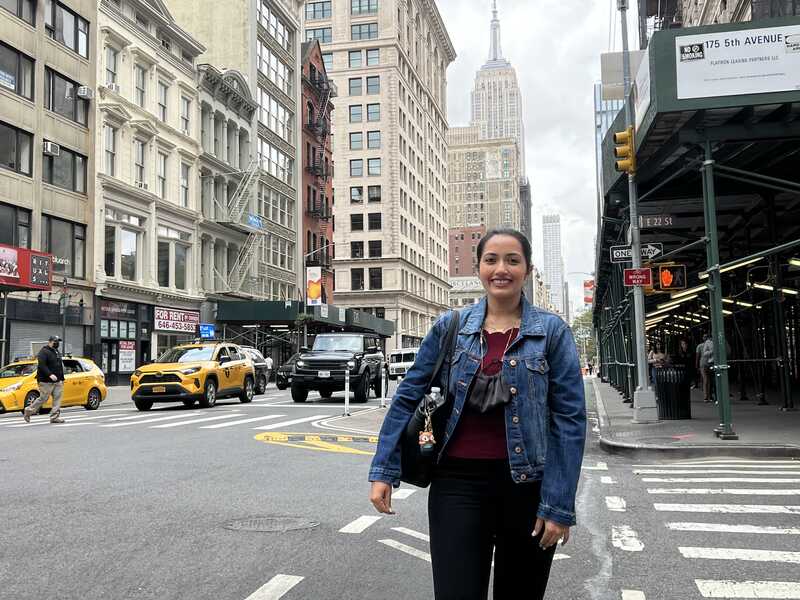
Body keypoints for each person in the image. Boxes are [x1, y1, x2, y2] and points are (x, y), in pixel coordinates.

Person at [368, 228, 587, 600]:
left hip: (529, 490)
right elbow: (408, 395)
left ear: (527, 270)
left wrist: (559, 505)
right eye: (492, 260)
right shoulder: (450, 327)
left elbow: (569, 420)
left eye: (512, 260)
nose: (501, 269)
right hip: (457, 487)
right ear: (480, 267)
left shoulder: (552, 333)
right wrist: (384, 470)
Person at [24, 336, 66, 424]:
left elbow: (59, 365)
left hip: (58, 381)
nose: (57, 343)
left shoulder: (56, 351)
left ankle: (54, 417)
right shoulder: (43, 352)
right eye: (55, 341)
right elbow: (42, 366)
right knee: (43, 398)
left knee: (57, 399)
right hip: (45, 381)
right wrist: (50, 375)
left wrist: (62, 378)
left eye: (58, 341)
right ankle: (29, 410)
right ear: (50, 342)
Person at [699, 334, 713, 403]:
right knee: (706, 380)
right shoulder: (700, 346)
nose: (706, 338)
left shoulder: (711, 344)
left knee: (709, 380)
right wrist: (697, 365)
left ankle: (709, 396)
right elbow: (697, 355)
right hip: (703, 364)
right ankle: (705, 397)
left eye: (706, 337)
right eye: (704, 337)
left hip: (709, 363)